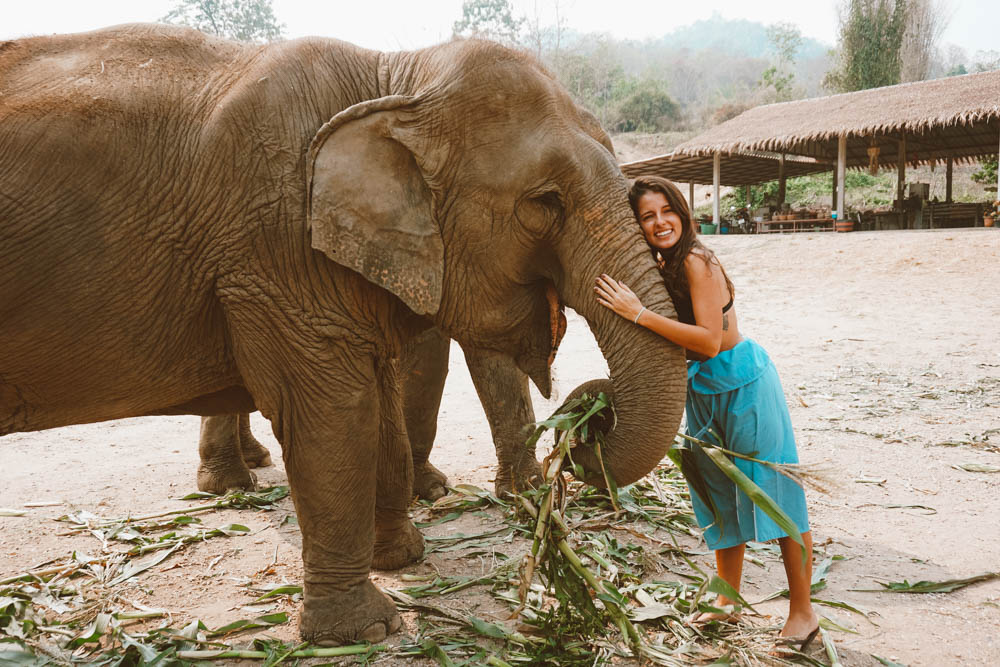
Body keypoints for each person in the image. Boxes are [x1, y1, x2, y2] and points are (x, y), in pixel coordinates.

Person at [593, 175, 819, 654]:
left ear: (681, 211)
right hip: (701, 389)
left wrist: (637, 313)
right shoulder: (660, 263)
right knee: (716, 495)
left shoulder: (697, 260)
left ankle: (803, 614)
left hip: (743, 383)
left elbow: (709, 341)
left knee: (776, 493)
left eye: (665, 211)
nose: (659, 223)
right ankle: (726, 598)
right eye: (646, 217)